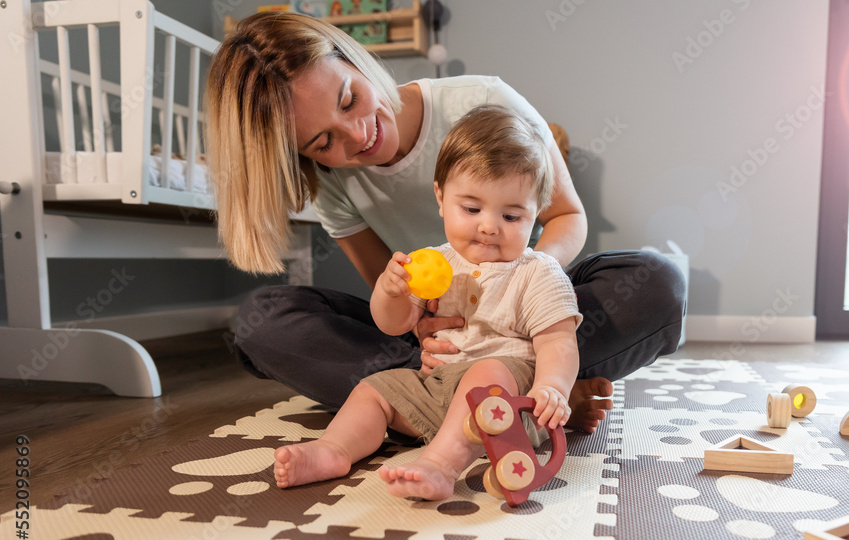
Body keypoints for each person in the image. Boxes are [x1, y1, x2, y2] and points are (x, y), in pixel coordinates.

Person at [205, 12, 686, 435]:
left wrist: (530, 286)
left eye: (349, 99)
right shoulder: (332, 182)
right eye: (322, 141)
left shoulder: (482, 99)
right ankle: (493, 396)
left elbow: (567, 215)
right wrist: (422, 332)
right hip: (435, 343)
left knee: (657, 283)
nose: (357, 136)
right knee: (259, 320)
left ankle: (521, 383)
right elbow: (387, 286)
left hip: (527, 308)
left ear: (353, 59)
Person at [273, 105, 580, 500]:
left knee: (487, 372)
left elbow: (558, 341)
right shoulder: (432, 262)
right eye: (471, 209)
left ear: (536, 214)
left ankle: (440, 464)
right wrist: (390, 292)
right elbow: (394, 325)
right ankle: (334, 450)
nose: (489, 226)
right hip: (435, 388)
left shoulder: (538, 271)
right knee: (374, 389)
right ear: (440, 197)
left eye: (511, 216)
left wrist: (552, 387)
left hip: (506, 406)